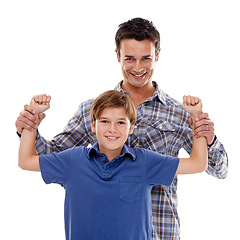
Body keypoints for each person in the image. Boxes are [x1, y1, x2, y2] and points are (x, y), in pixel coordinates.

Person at [15, 18, 228, 239]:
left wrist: (207, 139)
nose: (138, 68)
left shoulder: (179, 113)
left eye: (146, 58)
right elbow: (50, 156)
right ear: (118, 56)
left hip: (161, 233)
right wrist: (29, 128)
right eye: (129, 58)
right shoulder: (93, 109)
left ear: (157, 55)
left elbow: (217, 169)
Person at [18, 90, 207, 240]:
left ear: (131, 127)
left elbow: (198, 164)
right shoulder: (73, 161)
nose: (112, 129)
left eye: (121, 123)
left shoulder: (145, 162)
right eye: (105, 121)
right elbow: (26, 161)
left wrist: (197, 117)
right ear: (93, 125)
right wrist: (32, 121)